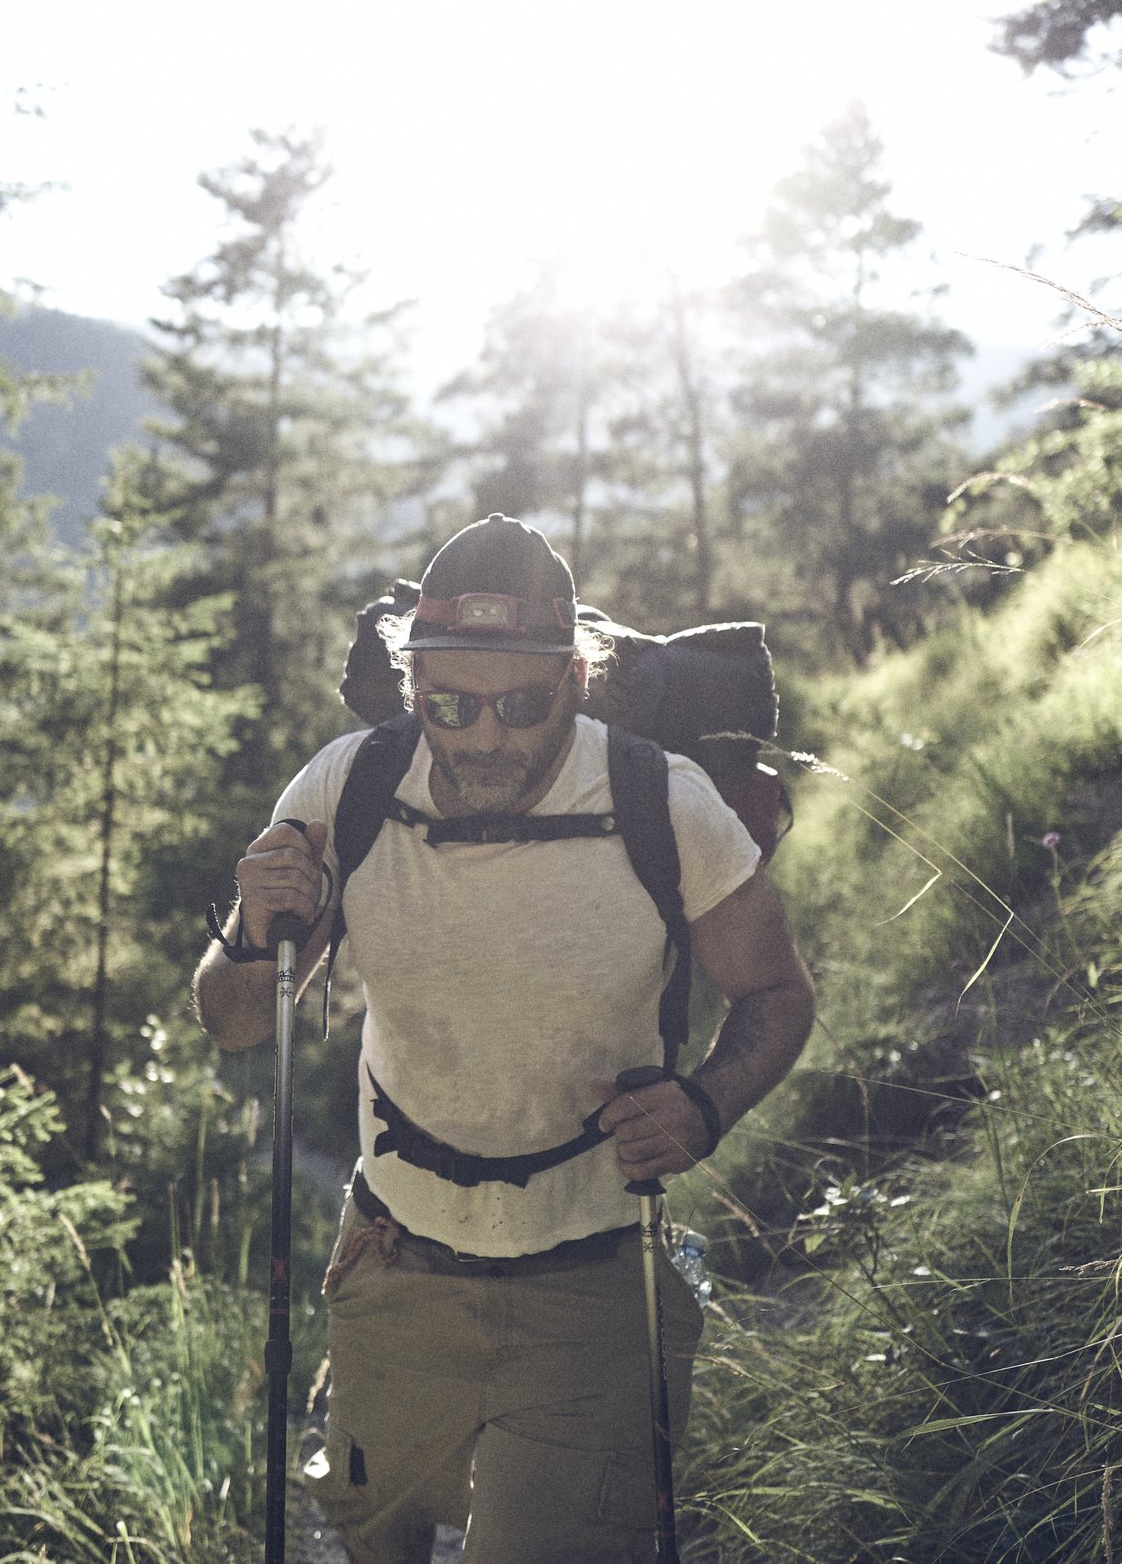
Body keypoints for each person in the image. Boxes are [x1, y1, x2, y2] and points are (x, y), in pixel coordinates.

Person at [193, 513, 817, 1564]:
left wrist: (706, 1105)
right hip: (394, 1260)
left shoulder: (662, 804)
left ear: (576, 678)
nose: (484, 736)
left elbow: (776, 991)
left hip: (593, 1285)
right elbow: (234, 1020)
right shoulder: (348, 790)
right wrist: (254, 933)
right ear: (411, 684)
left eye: (521, 704)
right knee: (370, 1535)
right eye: (450, 703)